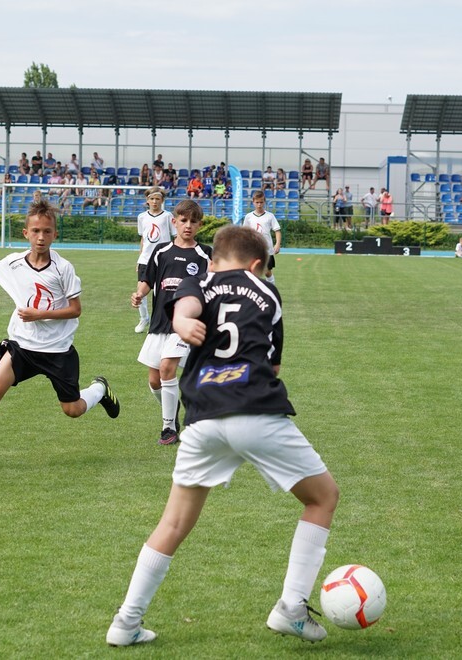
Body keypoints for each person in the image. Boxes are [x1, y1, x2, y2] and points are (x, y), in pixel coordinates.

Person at [107, 224, 340, 647]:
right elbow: (273, 369)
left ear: (215, 259)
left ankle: (126, 622)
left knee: (173, 522)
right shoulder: (268, 292)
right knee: (322, 498)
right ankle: (290, 607)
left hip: (202, 418)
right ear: (257, 265)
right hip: (255, 410)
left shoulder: (203, 277)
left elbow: (188, 303)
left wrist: (180, 318)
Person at [0, 199, 120, 470]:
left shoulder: (64, 269)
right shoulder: (14, 262)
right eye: (36, 231)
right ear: (26, 233)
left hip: (57, 351)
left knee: (72, 410)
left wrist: (39, 314)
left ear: (55, 234)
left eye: (47, 231)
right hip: (22, 347)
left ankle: (99, 388)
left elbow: (75, 310)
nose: (41, 237)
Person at [131, 199, 211, 447]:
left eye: (193, 222)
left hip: (185, 325)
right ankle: (172, 411)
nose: (188, 226)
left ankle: (168, 428)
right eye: (183, 221)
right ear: (174, 222)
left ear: (200, 225)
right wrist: (139, 294)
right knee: (155, 380)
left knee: (167, 368)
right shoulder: (161, 252)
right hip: (159, 323)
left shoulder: (205, 254)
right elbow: (148, 280)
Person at [135, 187, 177, 334]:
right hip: (145, 260)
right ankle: (143, 318)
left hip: (163, 259)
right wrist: (139, 258)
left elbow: (174, 237)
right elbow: (143, 239)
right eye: (152, 199)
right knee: (141, 291)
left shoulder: (167, 216)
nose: (154, 201)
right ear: (147, 200)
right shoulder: (141, 217)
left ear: (162, 201)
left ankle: (157, 321)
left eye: (157, 199)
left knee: (160, 292)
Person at [243, 190, 282, 283]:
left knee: (267, 271)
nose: (259, 205)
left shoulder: (270, 216)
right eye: (257, 202)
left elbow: (277, 231)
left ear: (264, 202)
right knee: (251, 271)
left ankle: (271, 290)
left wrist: (277, 244)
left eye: (261, 202)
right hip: (253, 249)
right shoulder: (249, 217)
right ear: (253, 202)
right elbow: (245, 233)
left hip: (266, 249)